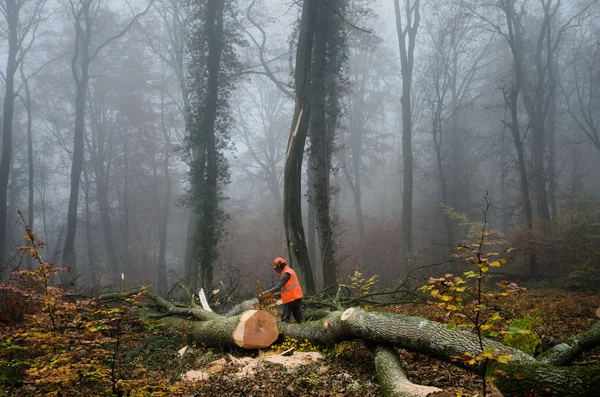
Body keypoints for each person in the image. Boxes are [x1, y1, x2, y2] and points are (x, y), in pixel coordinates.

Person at [261, 257, 303, 323]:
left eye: (277, 268)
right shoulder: (289, 270)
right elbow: (285, 287)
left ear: (279, 265)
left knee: (285, 317)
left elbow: (278, 286)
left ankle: (283, 330)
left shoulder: (286, 274)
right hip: (296, 296)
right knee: (297, 315)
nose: (277, 270)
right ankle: (302, 327)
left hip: (291, 298)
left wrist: (266, 292)